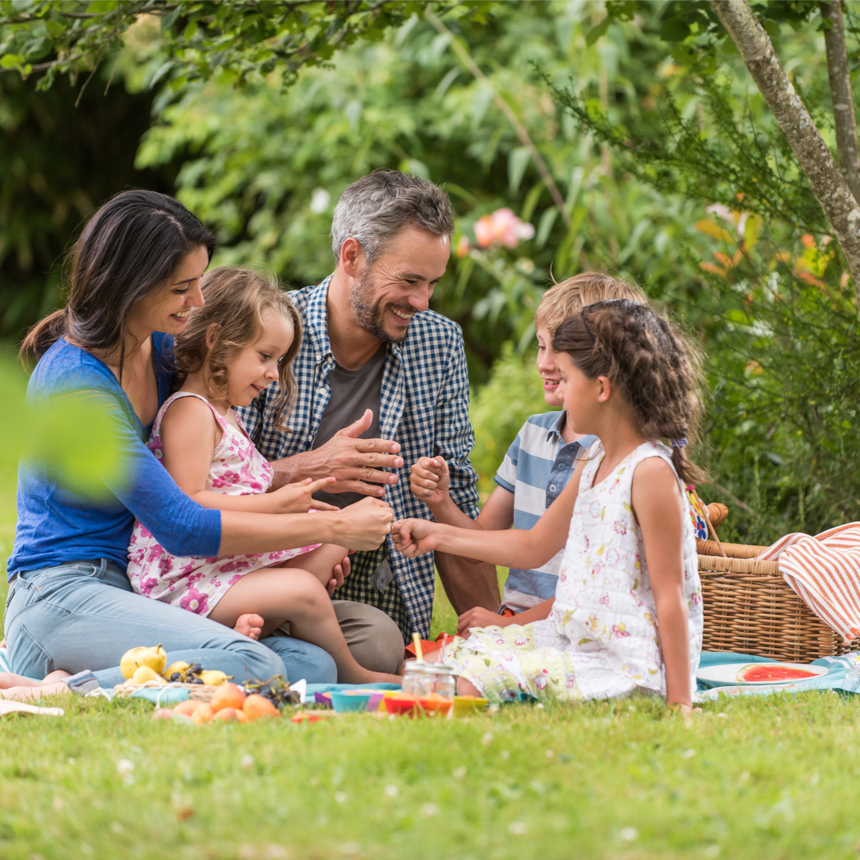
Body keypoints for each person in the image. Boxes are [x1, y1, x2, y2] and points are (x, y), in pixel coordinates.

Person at [2, 190, 393, 701]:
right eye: (183, 288)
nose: (198, 303)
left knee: (309, 662)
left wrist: (308, 476)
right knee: (252, 661)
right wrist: (332, 525)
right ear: (130, 286)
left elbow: (217, 473)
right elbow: (182, 524)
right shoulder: (77, 384)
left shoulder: (161, 353)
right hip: (64, 594)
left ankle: (144, 667)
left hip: (133, 588)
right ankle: (48, 689)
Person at [392, 300, 704, 713]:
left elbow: (670, 596)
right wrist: (437, 534)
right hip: (571, 637)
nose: (559, 389)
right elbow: (533, 545)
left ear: (602, 388)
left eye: (568, 378)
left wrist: (680, 701)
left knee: (450, 688)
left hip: (623, 665)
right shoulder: (595, 459)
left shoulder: (648, 472)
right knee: (427, 667)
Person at [238, 169, 499, 652]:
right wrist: (311, 468)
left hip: (380, 593)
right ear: (352, 257)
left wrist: (492, 637)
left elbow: (456, 499)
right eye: (409, 280)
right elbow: (208, 489)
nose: (422, 302)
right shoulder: (264, 334)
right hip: (259, 580)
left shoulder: (440, 344)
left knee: (378, 646)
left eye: (433, 284)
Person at [127, 266, 401, 684]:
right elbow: (188, 503)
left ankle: (249, 631)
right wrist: (275, 504)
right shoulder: (189, 412)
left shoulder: (227, 415)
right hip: (184, 579)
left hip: (221, 567)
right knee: (305, 589)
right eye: (264, 357)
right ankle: (355, 674)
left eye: (279, 360)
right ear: (216, 340)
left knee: (333, 542)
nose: (274, 374)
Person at [410, 273, 647, 636]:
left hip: (577, 626)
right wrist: (441, 503)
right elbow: (481, 545)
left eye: (560, 352)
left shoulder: (614, 457)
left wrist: (511, 628)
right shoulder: (533, 435)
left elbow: (594, 588)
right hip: (517, 621)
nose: (545, 364)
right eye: (541, 346)